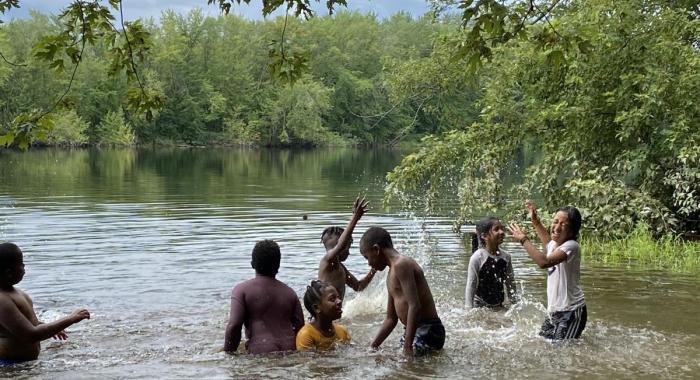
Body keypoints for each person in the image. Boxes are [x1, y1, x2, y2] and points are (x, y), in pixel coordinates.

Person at [359, 227, 444, 357]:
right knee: (391, 359)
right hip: (414, 331)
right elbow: (391, 319)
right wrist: (372, 346)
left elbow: (414, 306)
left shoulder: (401, 264)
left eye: (367, 257)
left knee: (403, 364)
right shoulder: (390, 274)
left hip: (428, 329)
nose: (369, 263)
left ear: (376, 249)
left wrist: (407, 346)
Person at [0, 242, 90, 364]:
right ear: (8, 272)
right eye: (21, 264)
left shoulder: (15, 292)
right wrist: (70, 319)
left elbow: (28, 324)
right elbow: (30, 335)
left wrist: (51, 327)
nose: (24, 266)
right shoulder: (2, 300)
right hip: (7, 366)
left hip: (21, 364)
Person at [508, 202, 587, 340]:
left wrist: (523, 240)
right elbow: (547, 240)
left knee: (562, 350)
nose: (556, 227)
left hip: (571, 311)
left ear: (572, 230)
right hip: (554, 312)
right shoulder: (554, 245)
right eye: (555, 222)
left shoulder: (571, 246)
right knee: (543, 344)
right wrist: (535, 220)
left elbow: (544, 262)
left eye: (563, 224)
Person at [224, 240, 304, 354]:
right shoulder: (290, 293)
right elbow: (300, 326)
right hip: (290, 350)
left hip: (260, 351)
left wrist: (228, 353)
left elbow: (234, 325)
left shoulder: (242, 290)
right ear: (278, 265)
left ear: (252, 264)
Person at [319, 197, 376, 301]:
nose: (348, 252)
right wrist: (355, 218)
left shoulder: (341, 268)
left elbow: (359, 286)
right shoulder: (327, 262)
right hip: (323, 316)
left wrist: (374, 269)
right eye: (347, 247)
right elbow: (341, 245)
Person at [465, 217, 518, 309]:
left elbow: (510, 283)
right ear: (484, 236)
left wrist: (515, 306)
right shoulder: (477, 257)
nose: (502, 232)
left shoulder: (506, 257)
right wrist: (468, 309)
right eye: (496, 229)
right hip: (479, 307)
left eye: (502, 228)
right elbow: (471, 284)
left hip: (499, 306)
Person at [296, 280, 350, 351]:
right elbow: (308, 361)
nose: (339, 301)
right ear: (317, 308)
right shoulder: (306, 335)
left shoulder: (342, 331)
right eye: (332, 299)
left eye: (338, 297)